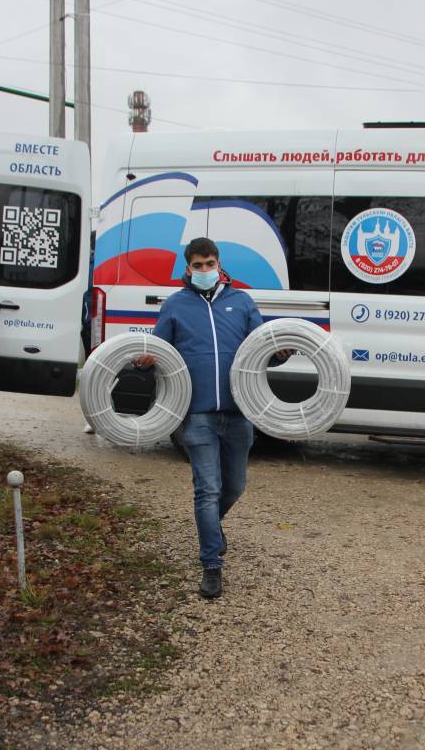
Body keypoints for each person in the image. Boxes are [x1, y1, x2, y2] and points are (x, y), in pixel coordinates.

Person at [134, 237, 291, 599]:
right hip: (198, 413)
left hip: (239, 412)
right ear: (187, 268)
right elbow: (158, 353)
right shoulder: (175, 306)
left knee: (234, 487)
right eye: (198, 265)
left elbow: (260, 351)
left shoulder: (242, 302)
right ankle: (211, 565)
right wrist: (143, 363)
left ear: (219, 265)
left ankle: (212, 531)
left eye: (210, 264)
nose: (205, 270)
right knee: (208, 490)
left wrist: (280, 354)